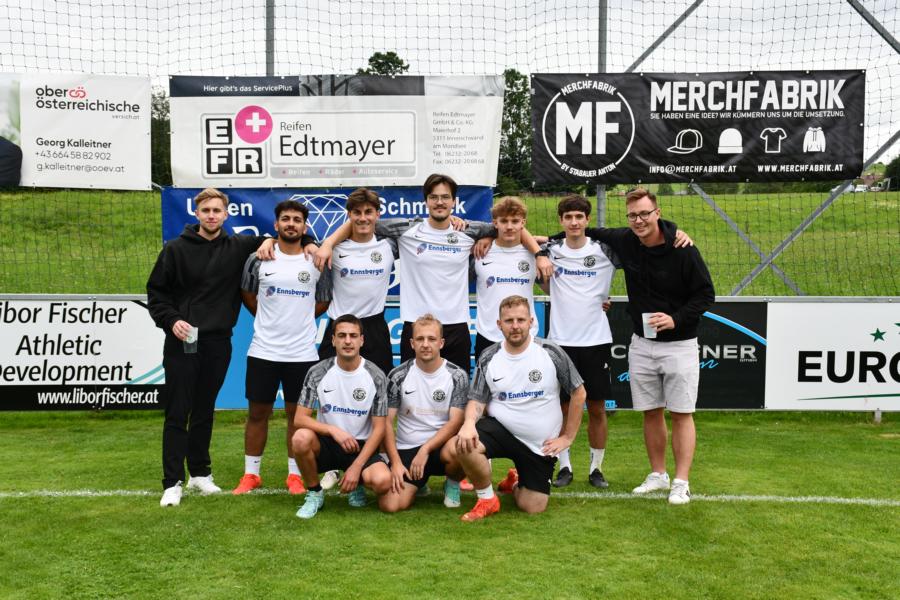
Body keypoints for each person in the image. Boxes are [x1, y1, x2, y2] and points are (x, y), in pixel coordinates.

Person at [147, 187, 313, 508]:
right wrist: (172, 320)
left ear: (226, 214)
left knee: (204, 408)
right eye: (206, 210)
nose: (211, 215)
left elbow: (290, 236)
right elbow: (156, 294)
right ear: (196, 213)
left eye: (217, 211)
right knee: (178, 411)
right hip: (183, 341)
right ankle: (172, 482)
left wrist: (294, 242)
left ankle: (200, 473)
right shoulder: (175, 249)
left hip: (218, 342)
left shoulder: (239, 247)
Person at [316, 173, 549, 372]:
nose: (439, 202)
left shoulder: (468, 230)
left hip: (456, 327)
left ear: (454, 201)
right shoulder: (407, 229)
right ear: (426, 201)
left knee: (457, 395)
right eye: (434, 197)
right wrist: (328, 244)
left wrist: (537, 253)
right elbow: (362, 222)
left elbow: (510, 228)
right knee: (409, 395)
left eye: (445, 197)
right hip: (416, 326)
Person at [580, 188, 714, 505]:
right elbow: (582, 229)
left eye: (644, 214)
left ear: (657, 213)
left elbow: (705, 295)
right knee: (651, 413)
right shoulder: (626, 240)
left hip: (680, 344)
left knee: (681, 413)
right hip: (641, 344)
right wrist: (537, 245)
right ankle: (658, 474)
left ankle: (681, 482)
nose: (639, 220)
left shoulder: (683, 248)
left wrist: (675, 319)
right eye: (633, 215)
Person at [447, 295, 586, 521]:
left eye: (520, 320)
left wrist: (567, 437)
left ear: (531, 321)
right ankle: (487, 499)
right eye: (509, 321)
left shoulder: (550, 352)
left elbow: (579, 392)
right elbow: (477, 400)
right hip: (501, 430)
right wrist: (469, 423)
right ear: (499, 324)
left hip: (538, 445)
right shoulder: (489, 356)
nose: (515, 326)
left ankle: (514, 483)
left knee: (533, 506)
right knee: (464, 443)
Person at [232, 200, 328, 496]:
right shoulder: (258, 258)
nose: (291, 224)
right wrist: (268, 317)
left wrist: (300, 318)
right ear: (276, 225)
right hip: (263, 351)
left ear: (304, 226)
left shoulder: (316, 260)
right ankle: (251, 474)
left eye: (297, 220)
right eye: (285, 219)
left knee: (296, 416)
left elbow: (324, 300)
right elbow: (247, 294)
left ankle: (294, 476)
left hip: (302, 354)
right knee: (257, 413)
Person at [540, 194, 617, 489]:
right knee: (561, 407)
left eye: (579, 217)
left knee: (596, 407)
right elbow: (524, 239)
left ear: (587, 220)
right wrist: (539, 252)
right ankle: (565, 467)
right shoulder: (551, 250)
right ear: (561, 221)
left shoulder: (605, 250)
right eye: (568, 217)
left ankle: (596, 469)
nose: (574, 222)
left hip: (596, 340)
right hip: (560, 342)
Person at [291, 314, 393, 519]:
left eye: (353, 336)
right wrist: (333, 430)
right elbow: (299, 419)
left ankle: (358, 483)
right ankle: (315, 493)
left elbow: (380, 428)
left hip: (361, 446)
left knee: (383, 482)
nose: (347, 341)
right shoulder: (317, 372)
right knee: (300, 438)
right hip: (328, 443)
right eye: (342, 335)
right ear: (333, 340)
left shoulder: (376, 376)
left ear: (361, 340)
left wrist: (356, 467)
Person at [377, 314, 469, 512]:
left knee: (462, 447)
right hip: (408, 449)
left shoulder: (457, 375)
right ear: (412, 343)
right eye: (420, 339)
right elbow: (386, 421)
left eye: (431, 339)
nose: (425, 344)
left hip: (442, 448)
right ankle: (418, 483)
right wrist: (395, 462)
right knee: (390, 505)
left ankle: (452, 483)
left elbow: (455, 422)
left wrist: (425, 449)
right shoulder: (398, 376)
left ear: (441, 343)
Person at [317, 187, 397, 376]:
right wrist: (269, 242)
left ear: (378, 214)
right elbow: (300, 243)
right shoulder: (332, 249)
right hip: (340, 326)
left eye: (368, 212)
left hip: (374, 329)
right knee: (327, 386)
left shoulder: (390, 245)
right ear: (349, 215)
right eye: (357, 212)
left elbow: (427, 226)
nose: (363, 218)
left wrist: (451, 220)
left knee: (380, 388)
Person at [471, 196, 539, 363]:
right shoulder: (479, 252)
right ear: (495, 223)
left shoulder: (536, 254)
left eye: (515, 221)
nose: (509, 227)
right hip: (488, 336)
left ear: (523, 223)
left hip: (526, 335)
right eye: (504, 221)